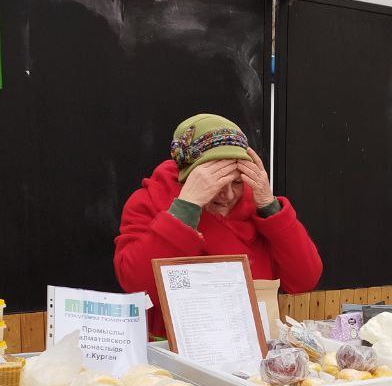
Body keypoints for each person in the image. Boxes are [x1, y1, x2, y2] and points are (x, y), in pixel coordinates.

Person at [115, 113, 322, 335]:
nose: (228, 195)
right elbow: (137, 286)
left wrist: (270, 207)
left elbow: (305, 279)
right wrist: (186, 209)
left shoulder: (256, 207)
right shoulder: (150, 201)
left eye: (237, 182)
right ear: (189, 176)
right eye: (217, 182)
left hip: (253, 349)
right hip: (176, 352)